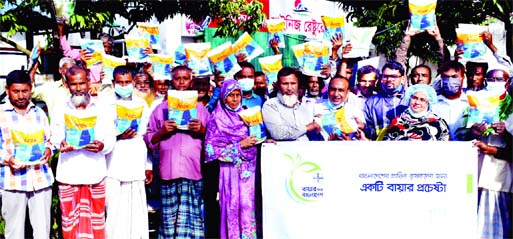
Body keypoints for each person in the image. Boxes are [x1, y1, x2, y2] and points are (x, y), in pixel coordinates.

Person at [50, 65, 116, 239]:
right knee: (69, 222)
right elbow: (55, 137)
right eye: (73, 84)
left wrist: (102, 146)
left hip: (95, 173)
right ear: (66, 85)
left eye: (82, 83)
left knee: (96, 220)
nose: (78, 88)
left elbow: (110, 138)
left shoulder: (102, 107)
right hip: (68, 175)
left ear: (88, 82)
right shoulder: (60, 108)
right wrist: (61, 144)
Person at [144, 65, 209, 238]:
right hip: (168, 171)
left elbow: (212, 141)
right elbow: (149, 139)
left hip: (193, 171)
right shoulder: (161, 109)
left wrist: (202, 130)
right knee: (169, 219)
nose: (181, 82)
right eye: (177, 78)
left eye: (185, 78)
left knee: (191, 218)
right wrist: (162, 131)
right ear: (171, 81)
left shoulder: (201, 110)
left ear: (191, 81)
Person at [0, 70, 54, 239]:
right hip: (12, 180)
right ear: (7, 90)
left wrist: (48, 150)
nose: (21, 96)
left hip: (40, 178)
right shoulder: (1, 114)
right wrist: (8, 159)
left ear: (31, 89)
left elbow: (49, 140)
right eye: (16, 91)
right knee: (14, 231)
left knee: (42, 231)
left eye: (25, 91)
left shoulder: (39, 113)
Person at [204, 79, 258, 239]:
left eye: (238, 95)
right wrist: (239, 146)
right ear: (223, 97)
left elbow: (258, 135)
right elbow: (210, 150)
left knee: (248, 206)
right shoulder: (216, 119)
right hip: (229, 171)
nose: (235, 99)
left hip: (248, 169)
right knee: (231, 206)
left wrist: (264, 140)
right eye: (230, 95)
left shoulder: (248, 115)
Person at [105, 66, 153, 239]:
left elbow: (145, 135)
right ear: (113, 83)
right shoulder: (105, 105)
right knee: (114, 213)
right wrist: (118, 135)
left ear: (133, 83)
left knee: (136, 213)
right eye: (120, 82)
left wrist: (149, 165)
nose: (124, 85)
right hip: (113, 165)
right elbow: (101, 135)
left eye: (127, 82)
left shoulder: (141, 104)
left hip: (135, 163)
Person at [472, 75, 512, 239]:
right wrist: (473, 132)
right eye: (492, 78)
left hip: (501, 177)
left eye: (500, 79)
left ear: (507, 82)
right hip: (477, 171)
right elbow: (462, 135)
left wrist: (505, 134)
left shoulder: (510, 109)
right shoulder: (477, 104)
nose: (496, 82)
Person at [262, 67, 320, 141]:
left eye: (293, 83)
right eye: (285, 84)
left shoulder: (304, 106)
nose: (289, 88)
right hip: (284, 152)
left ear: (297, 84)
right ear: (278, 85)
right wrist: (307, 127)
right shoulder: (271, 105)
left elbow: (313, 132)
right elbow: (277, 133)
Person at [383, 84, 450, 141]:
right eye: (414, 98)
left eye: (422, 100)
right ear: (409, 98)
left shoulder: (439, 123)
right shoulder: (397, 120)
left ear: (428, 102)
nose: (417, 102)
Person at [363, 61, 408, 140]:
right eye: (385, 76)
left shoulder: (410, 100)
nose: (389, 79)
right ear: (381, 79)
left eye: (394, 76)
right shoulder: (371, 102)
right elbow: (368, 128)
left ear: (402, 79)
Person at [314, 76, 366, 141]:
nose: (336, 94)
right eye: (333, 89)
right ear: (328, 90)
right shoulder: (316, 109)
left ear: (347, 92)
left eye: (341, 90)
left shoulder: (355, 112)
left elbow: (361, 139)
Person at [431, 61, 472, 141]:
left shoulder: (470, 102)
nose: (450, 80)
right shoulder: (433, 103)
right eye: (446, 77)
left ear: (463, 77)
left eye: (454, 77)